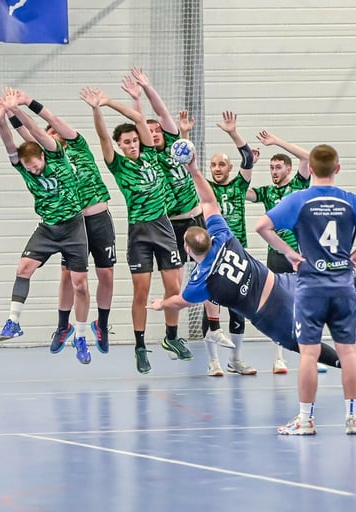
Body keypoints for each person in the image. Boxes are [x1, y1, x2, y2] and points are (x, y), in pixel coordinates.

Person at [147, 147, 356, 383]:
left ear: (188, 250)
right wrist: (193, 170)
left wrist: (161, 304)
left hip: (268, 313)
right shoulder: (223, 237)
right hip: (279, 284)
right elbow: (209, 202)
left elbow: (180, 302)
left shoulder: (202, 282)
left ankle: (350, 364)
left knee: (300, 344)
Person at [256, 144, 356, 435]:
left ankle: (306, 420)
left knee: (309, 354)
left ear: (311, 169)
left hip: (311, 289)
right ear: (337, 169)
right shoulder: (350, 201)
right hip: (343, 287)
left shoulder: (298, 200)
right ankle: (353, 419)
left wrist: (291, 254)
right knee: (348, 353)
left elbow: (262, 226)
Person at [80, 84, 190, 374]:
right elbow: (103, 137)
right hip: (139, 233)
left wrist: (110, 101)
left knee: (174, 287)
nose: (132, 144)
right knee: (141, 291)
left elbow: (141, 119)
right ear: (120, 146)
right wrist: (97, 109)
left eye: (134, 140)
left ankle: (171, 337)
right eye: (126, 142)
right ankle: (140, 346)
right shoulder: (118, 165)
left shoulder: (151, 155)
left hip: (163, 227)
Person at [5, 89, 116, 356]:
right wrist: (10, 112)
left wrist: (26, 102)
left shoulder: (78, 145)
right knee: (70, 278)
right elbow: (28, 133)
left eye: (57, 132)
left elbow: (50, 120)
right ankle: (63, 326)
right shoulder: (50, 160)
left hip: (98, 219)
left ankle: (101, 324)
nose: (54, 134)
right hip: (73, 224)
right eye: (49, 134)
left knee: (106, 274)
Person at [0, 91, 92, 364]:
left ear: (43, 157)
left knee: (79, 285)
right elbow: (9, 141)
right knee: (23, 268)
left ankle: (80, 337)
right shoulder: (23, 167)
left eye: (36, 166)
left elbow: (32, 130)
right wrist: (1, 119)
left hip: (73, 227)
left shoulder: (56, 156)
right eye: (29, 169)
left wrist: (16, 109)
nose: (34, 171)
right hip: (47, 229)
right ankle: (13, 321)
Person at [130, 68, 231, 353]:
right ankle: (171, 335)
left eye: (156, 131)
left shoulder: (176, 146)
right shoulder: (148, 158)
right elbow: (139, 121)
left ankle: (214, 328)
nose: (154, 134)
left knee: (210, 268)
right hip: (170, 224)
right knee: (174, 282)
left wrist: (147, 88)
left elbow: (162, 113)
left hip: (195, 217)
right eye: (148, 133)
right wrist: (136, 102)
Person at [191, 110, 258, 376]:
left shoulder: (239, 186)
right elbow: (186, 170)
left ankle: (236, 360)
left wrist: (233, 132)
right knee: (211, 305)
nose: (217, 169)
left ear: (230, 168)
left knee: (238, 306)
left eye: (222, 165)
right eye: (214, 165)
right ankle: (213, 361)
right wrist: (184, 134)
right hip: (211, 254)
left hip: (237, 253)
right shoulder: (206, 188)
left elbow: (248, 158)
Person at [246, 132, 311, 374]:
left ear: (288, 169)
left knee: (306, 302)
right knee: (278, 304)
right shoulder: (266, 192)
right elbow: (242, 191)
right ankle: (279, 358)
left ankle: (311, 353)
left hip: (299, 253)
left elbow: (307, 157)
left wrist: (276, 142)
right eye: (271, 168)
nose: (274, 171)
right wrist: (249, 164)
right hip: (275, 254)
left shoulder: (298, 186)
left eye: (278, 167)